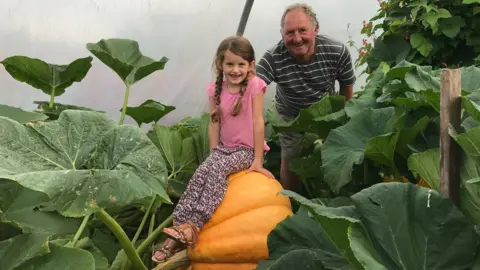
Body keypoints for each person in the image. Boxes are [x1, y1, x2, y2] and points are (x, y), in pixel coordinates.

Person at [152, 35, 274, 263]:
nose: (235, 69)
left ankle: (194, 225)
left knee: (218, 171)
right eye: (230, 64)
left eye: (241, 64)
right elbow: (214, 123)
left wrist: (258, 160)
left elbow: (258, 122)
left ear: (250, 65)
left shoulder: (255, 86)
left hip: (246, 151)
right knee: (201, 172)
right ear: (220, 64)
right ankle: (176, 233)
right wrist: (213, 153)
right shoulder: (215, 90)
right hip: (224, 149)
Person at [256, 3, 356, 191]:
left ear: (315, 29)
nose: (297, 38)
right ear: (282, 34)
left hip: (325, 112)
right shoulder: (273, 57)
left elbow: (347, 86)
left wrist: (342, 119)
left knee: (334, 154)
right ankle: (289, 202)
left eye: (303, 30)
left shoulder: (336, 51)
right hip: (290, 115)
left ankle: (333, 191)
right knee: (290, 157)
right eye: (290, 32)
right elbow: (253, 86)